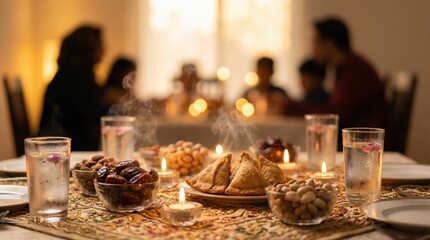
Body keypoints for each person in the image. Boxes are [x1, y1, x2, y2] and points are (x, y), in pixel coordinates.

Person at [285, 17, 387, 130]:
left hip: (364, 143)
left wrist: (288, 108)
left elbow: (335, 116)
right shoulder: (346, 68)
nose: (313, 49)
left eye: (315, 42)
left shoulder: (355, 71)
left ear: (329, 44)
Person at [39, 25, 107, 151]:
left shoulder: (69, 75)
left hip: (64, 147)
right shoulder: (76, 78)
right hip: (65, 150)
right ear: (87, 49)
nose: (104, 51)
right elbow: (95, 114)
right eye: (100, 45)